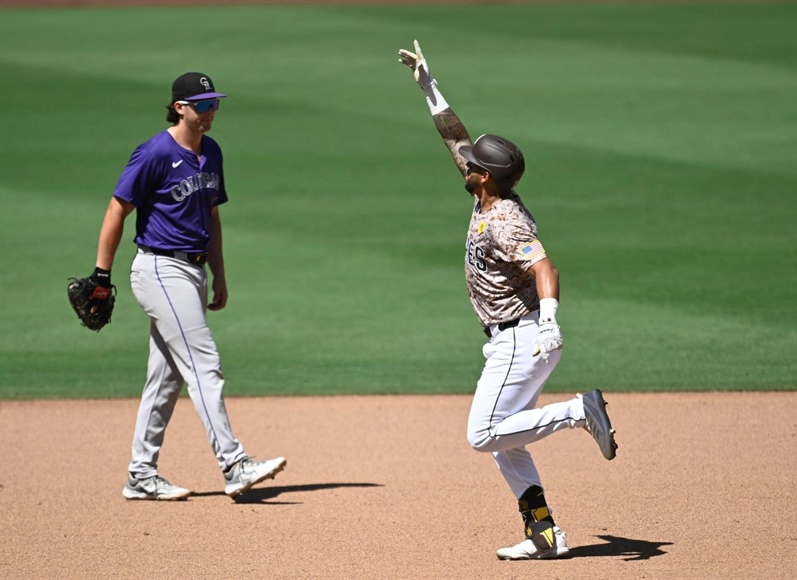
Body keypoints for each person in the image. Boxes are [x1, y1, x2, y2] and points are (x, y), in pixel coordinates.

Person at [398, 41, 618, 559]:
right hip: (509, 338)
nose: (464, 163)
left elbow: (545, 267)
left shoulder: (506, 218)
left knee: (483, 434)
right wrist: (430, 86)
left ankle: (579, 411)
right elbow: (454, 136)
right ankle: (545, 532)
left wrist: (549, 322)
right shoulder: (484, 192)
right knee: (507, 444)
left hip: (524, 336)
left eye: (473, 164)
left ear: (487, 176)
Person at [90, 71, 286, 501]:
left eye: (215, 103)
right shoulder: (154, 153)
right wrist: (101, 276)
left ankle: (140, 474)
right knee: (204, 363)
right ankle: (234, 464)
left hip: (193, 273)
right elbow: (116, 210)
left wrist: (219, 273)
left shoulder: (211, 152)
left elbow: (211, 216)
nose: (211, 111)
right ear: (180, 108)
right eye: (203, 105)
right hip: (159, 269)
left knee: (165, 379)